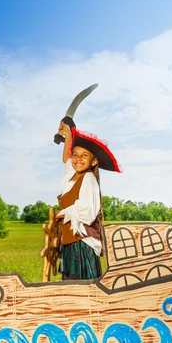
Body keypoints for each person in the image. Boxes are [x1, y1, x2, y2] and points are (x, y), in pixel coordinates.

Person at [55, 116, 121, 280]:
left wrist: (62, 213)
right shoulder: (73, 178)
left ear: (94, 161)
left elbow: (87, 212)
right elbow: (67, 162)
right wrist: (69, 134)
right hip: (71, 243)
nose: (77, 159)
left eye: (84, 155)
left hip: (83, 245)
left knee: (83, 290)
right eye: (75, 154)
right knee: (71, 289)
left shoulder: (89, 178)